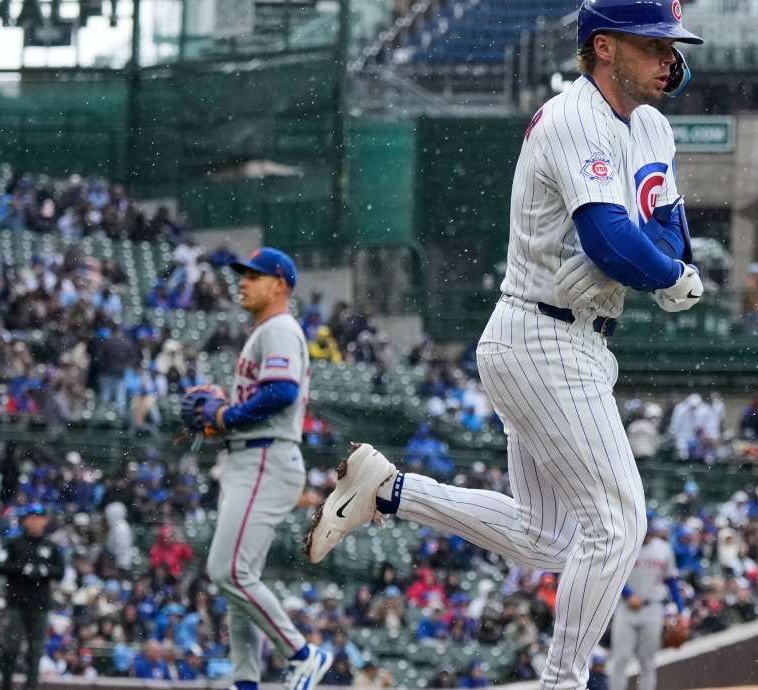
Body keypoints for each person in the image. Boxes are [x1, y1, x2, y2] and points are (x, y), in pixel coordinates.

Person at [305, 4, 705, 690]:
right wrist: (665, 275)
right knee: (617, 523)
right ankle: (563, 682)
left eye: (673, 44)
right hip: (540, 333)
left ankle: (390, 490)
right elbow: (615, 240)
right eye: (653, 44)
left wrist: (663, 264)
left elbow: (671, 235)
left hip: (570, 341)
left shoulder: (652, 125)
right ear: (604, 47)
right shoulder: (576, 116)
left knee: (546, 538)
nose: (669, 58)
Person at [179, 247, 331, 690]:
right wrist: (226, 422)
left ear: (279, 284)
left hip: (266, 455)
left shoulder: (280, 328)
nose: (242, 282)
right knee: (237, 582)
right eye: (242, 275)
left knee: (228, 573)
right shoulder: (265, 331)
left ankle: (303, 655)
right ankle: (245, 681)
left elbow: (281, 393)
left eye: (253, 275)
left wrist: (226, 416)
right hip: (251, 455)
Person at [608, 519, 685, 690]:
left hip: (653, 608)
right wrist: (628, 595)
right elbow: (613, 574)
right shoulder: (624, 545)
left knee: (647, 661)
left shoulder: (664, 548)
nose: (648, 533)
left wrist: (681, 610)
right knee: (620, 659)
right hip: (625, 609)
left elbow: (671, 581)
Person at [0, 503, 64, 690]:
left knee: (36, 650)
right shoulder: (15, 543)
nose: (35, 521)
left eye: (39, 518)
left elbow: (60, 571)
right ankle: (6, 685)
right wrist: (23, 569)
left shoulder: (51, 546)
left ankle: (31, 686)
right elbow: (1, 566)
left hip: (40, 604)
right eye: (31, 518)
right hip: (17, 602)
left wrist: (44, 570)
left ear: (45, 521)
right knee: (11, 648)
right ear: (25, 521)